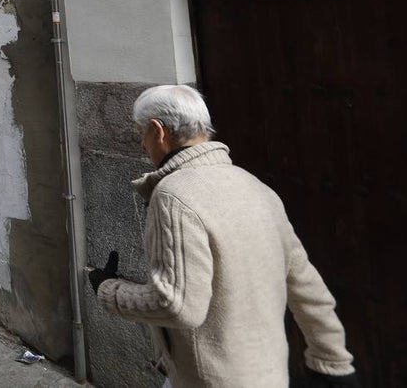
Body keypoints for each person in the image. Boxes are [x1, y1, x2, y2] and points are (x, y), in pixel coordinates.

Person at [86, 85, 358, 388]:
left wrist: (108, 290)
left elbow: (175, 304)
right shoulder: (256, 187)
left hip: (210, 379)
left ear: (157, 131)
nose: (142, 143)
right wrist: (332, 359)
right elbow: (305, 282)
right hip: (267, 376)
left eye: (141, 133)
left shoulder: (173, 196)